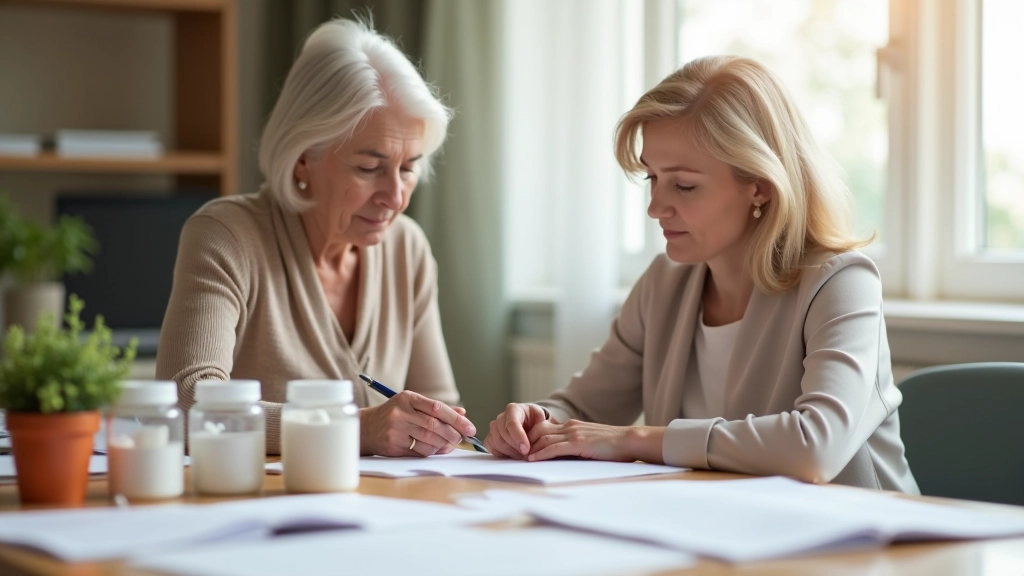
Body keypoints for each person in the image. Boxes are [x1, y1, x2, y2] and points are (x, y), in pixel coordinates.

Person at [485, 56, 919, 493]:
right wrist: (535, 420)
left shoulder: (842, 282)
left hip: (862, 548)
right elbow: (583, 406)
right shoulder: (664, 282)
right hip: (723, 534)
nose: (655, 207)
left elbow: (815, 447)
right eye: (652, 177)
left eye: (684, 185)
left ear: (761, 186)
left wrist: (633, 439)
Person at [157, 18, 476, 457]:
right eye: (369, 168)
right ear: (303, 158)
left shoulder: (408, 248)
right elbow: (188, 402)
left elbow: (442, 414)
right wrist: (354, 427)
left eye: (408, 168)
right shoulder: (227, 236)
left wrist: (453, 431)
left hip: (388, 511)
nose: (395, 198)